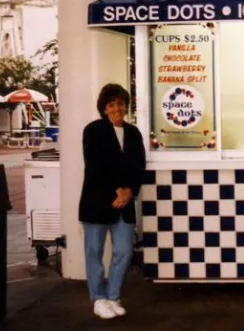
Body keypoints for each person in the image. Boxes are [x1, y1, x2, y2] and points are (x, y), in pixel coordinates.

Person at [79, 83, 145, 319]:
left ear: (126, 106)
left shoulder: (134, 133)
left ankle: (113, 296)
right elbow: (94, 167)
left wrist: (129, 192)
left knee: (125, 252)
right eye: (111, 105)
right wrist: (116, 191)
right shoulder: (93, 131)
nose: (117, 108)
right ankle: (98, 298)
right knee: (94, 253)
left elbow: (139, 167)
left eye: (120, 104)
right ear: (104, 109)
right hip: (97, 204)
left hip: (125, 205)